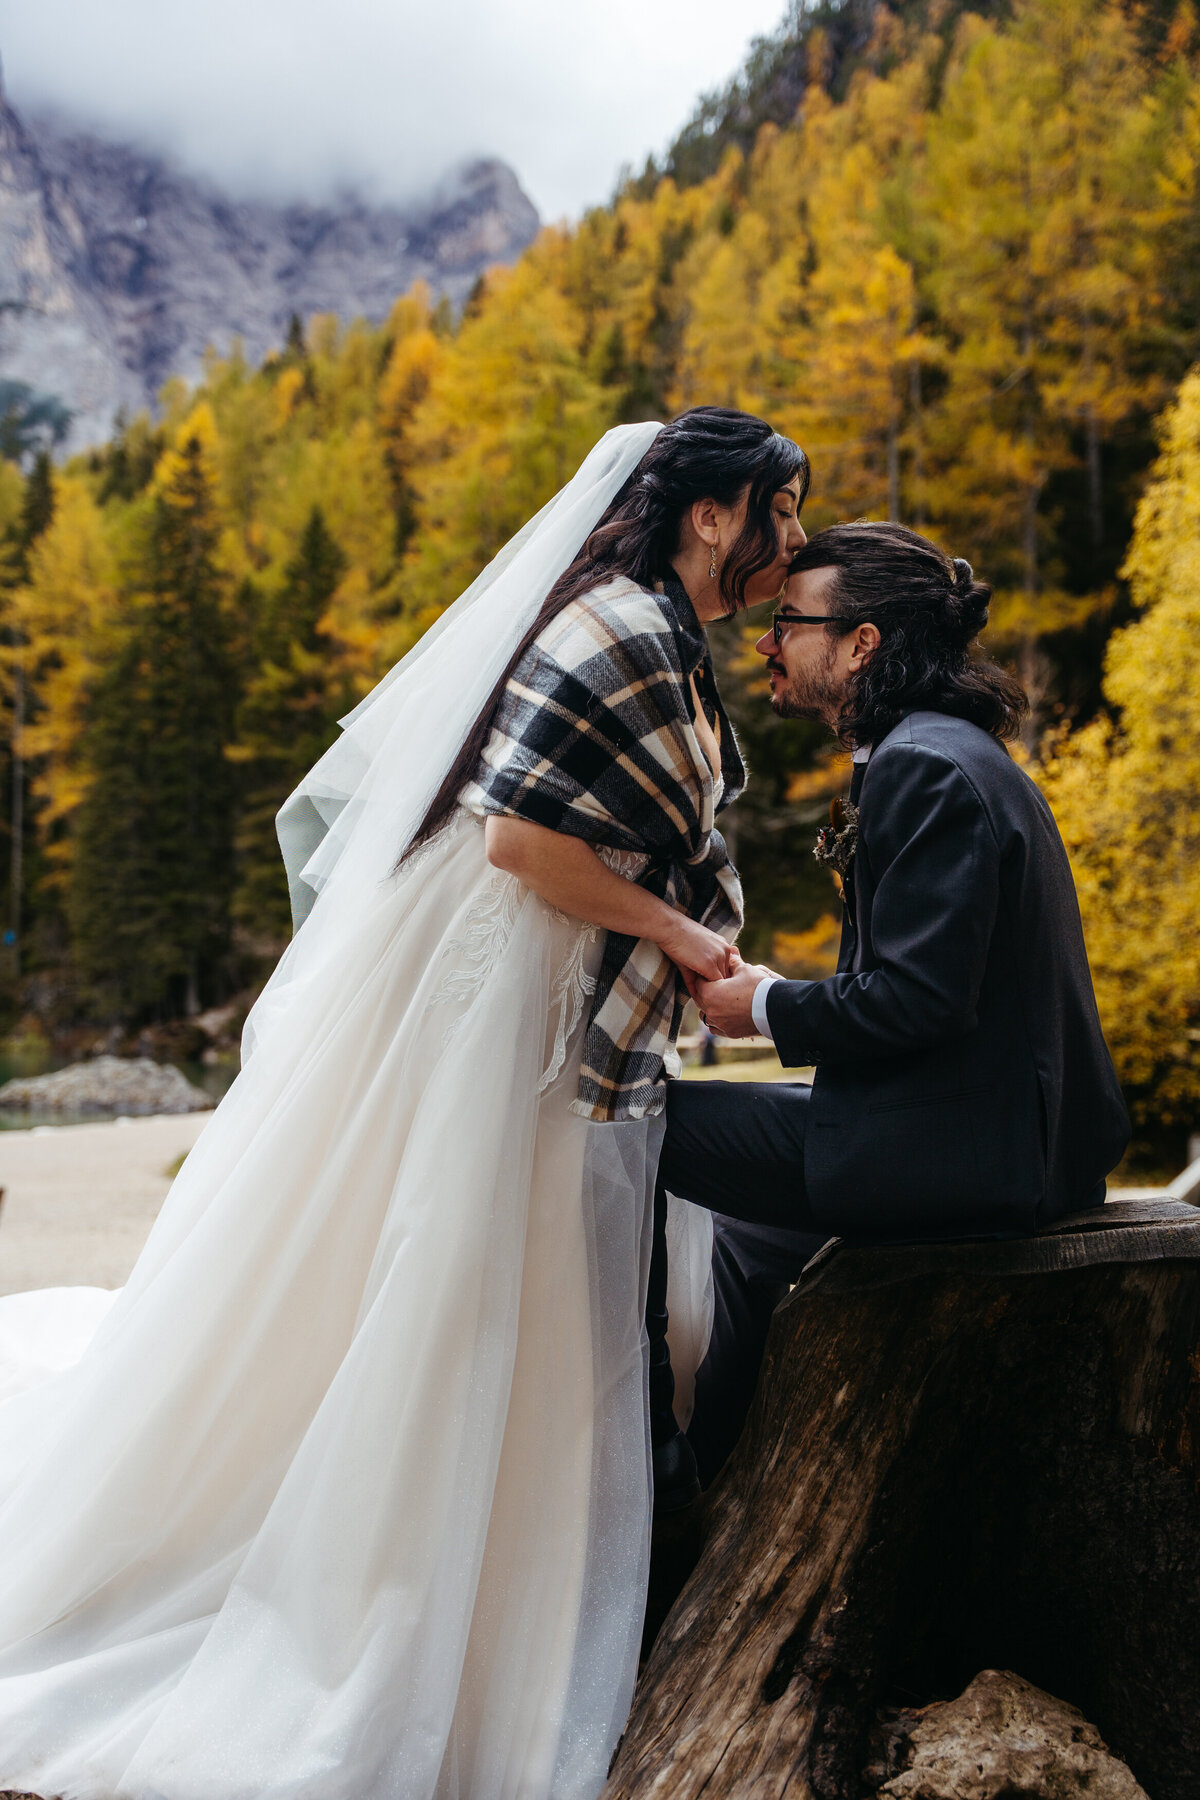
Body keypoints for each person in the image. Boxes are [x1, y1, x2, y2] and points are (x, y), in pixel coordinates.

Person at [0, 411, 808, 1800]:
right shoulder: (619, 628)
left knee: (520, 1280)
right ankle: (403, 1599)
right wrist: (681, 934)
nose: (791, 541)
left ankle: (519, 1574)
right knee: (458, 1271)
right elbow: (521, 841)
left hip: (549, 991)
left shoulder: (659, 632)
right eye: (779, 512)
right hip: (508, 999)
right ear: (711, 514)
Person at [652, 521, 1130, 1493]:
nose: (766, 641)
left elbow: (920, 1000)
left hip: (969, 1161)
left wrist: (765, 1007)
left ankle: (646, 1462)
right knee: (750, 1250)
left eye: (790, 621)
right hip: (994, 1139)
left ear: (861, 643)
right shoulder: (939, 752)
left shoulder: (926, 767)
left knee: (638, 1126)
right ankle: (711, 1486)